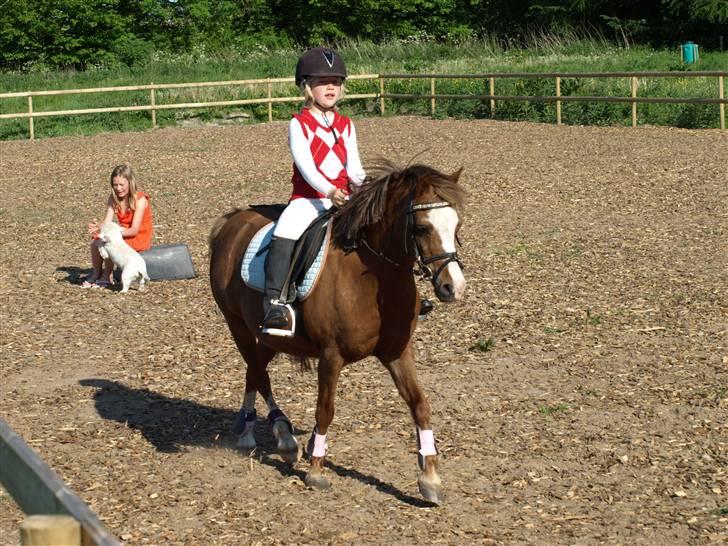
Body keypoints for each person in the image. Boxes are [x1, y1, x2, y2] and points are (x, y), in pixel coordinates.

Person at [261, 47, 366, 336]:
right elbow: (306, 166)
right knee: (287, 229)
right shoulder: (299, 123)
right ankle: (274, 303)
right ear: (307, 87)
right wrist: (331, 191)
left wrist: (367, 188)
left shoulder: (346, 125)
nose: (330, 86)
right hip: (309, 199)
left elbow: (354, 167)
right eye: (322, 81)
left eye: (335, 81)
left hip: (344, 195)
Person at [82, 165, 153, 288]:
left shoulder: (140, 200)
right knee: (95, 242)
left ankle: (107, 276)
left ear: (130, 183)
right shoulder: (114, 198)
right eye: (115, 185)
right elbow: (107, 222)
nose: (118, 188)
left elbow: (134, 230)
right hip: (122, 231)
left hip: (137, 235)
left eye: (122, 185)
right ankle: (97, 273)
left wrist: (113, 234)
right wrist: (99, 228)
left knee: (110, 242)